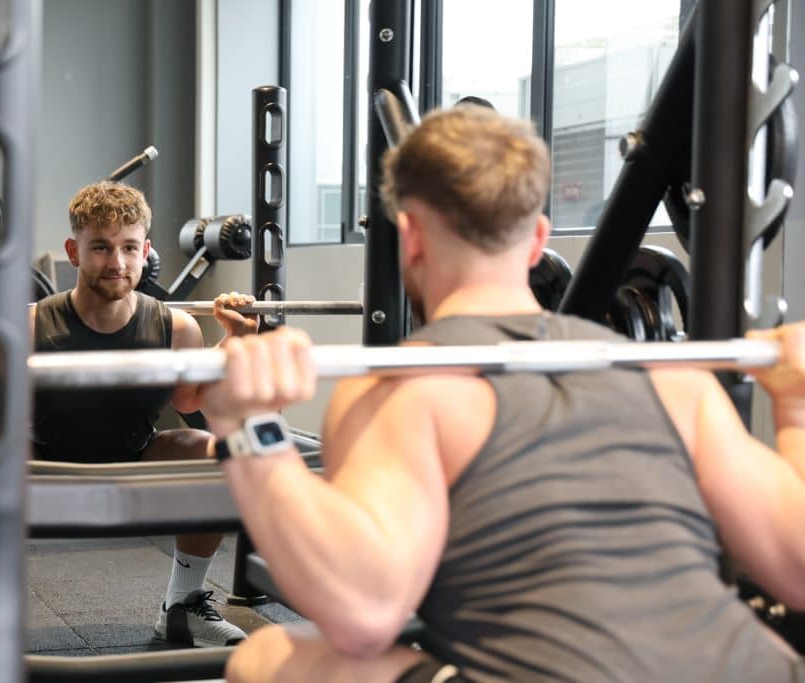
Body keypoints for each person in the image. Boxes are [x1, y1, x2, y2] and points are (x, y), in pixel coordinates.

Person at [191, 106, 805, 681]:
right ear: (538, 240)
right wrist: (796, 408)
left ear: (410, 236)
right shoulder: (674, 382)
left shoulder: (408, 391)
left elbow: (364, 610)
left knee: (270, 653)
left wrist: (249, 428)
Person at [0, 180, 258, 648]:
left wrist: (235, 338)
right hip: (45, 465)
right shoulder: (28, 325)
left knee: (214, 455)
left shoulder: (176, 327)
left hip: (132, 460)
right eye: (101, 248)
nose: (117, 263)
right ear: (74, 251)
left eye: (129, 248)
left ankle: (182, 606)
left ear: (146, 251)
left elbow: (190, 400)